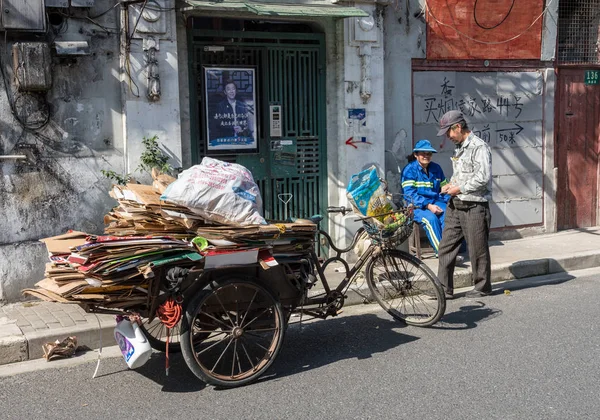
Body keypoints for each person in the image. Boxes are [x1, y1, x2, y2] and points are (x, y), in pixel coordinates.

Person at [436, 110, 492, 299]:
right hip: (455, 204)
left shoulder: (479, 147)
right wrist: (450, 185)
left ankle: (482, 286)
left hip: (474, 206)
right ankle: (443, 289)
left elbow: (483, 177)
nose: (448, 137)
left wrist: (459, 188)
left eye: (449, 132)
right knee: (446, 246)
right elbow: (460, 175)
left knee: (477, 248)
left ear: (458, 127)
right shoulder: (459, 148)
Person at [401, 139, 451, 256]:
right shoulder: (409, 170)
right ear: (416, 155)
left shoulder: (436, 168)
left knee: (449, 215)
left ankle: (450, 250)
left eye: (428, 154)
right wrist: (428, 206)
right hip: (415, 206)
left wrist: (448, 195)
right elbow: (410, 195)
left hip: (435, 202)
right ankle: (442, 253)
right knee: (431, 219)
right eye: (423, 153)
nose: (426, 156)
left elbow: (444, 188)